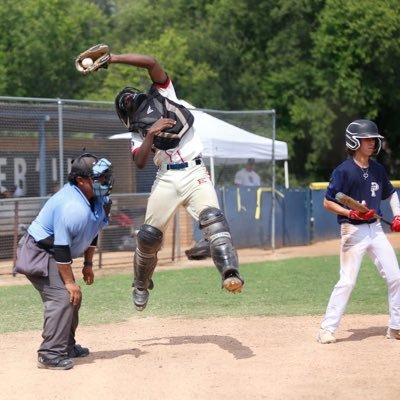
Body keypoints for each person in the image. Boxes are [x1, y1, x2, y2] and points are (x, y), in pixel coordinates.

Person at [109, 52, 244, 311]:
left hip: (195, 172)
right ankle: (140, 283)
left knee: (213, 219)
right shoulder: (137, 132)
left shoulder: (165, 95)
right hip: (167, 177)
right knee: (148, 236)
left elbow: (150, 62)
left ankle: (230, 272)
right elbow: (139, 162)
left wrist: (113, 58)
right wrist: (151, 132)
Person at [13, 153, 113, 369]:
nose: (105, 181)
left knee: (72, 297)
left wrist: (88, 264)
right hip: (39, 251)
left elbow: (94, 229)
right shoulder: (72, 207)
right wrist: (69, 282)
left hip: (55, 252)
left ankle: (65, 345)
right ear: (81, 180)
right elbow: (61, 248)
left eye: (106, 176)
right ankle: (49, 353)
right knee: (63, 296)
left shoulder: (100, 200)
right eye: (99, 178)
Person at [317, 119, 400, 344]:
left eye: (374, 139)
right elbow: (328, 202)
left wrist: (397, 215)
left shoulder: (377, 169)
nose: (372, 142)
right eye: (367, 139)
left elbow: (391, 193)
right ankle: (327, 328)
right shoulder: (343, 171)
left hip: (375, 229)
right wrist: (351, 213)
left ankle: (396, 326)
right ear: (354, 141)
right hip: (352, 230)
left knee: (396, 277)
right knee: (348, 281)